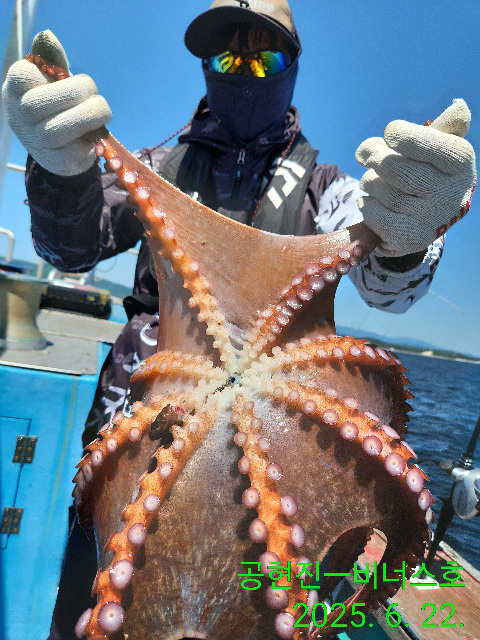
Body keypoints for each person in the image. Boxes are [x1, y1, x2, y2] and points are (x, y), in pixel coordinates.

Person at [2, 1, 476, 638]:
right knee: (95, 583)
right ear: (206, 66)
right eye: (228, 57)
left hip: (279, 449)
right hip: (138, 409)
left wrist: (408, 234)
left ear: (293, 66)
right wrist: (61, 173)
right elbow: (74, 247)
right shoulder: (160, 164)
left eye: (264, 56)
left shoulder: (329, 190)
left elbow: (383, 284)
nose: (245, 69)